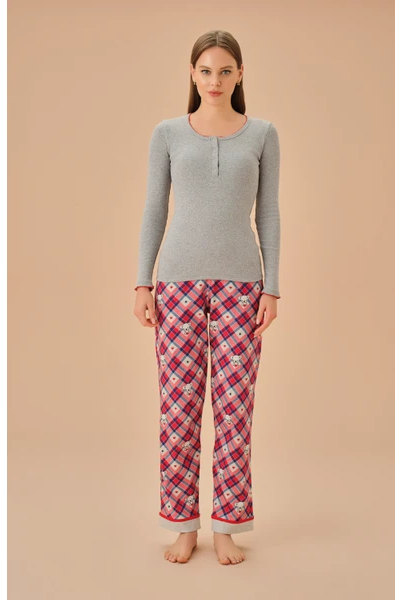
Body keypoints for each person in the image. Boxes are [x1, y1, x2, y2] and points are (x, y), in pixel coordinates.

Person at [133, 30, 281, 565]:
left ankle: (227, 526)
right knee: (178, 412)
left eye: (225, 71)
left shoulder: (262, 134)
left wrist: (272, 286)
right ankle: (182, 525)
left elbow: (269, 213)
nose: (214, 81)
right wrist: (143, 282)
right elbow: (154, 208)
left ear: (240, 75)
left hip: (243, 288)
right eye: (205, 71)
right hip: (176, 285)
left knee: (235, 413)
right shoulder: (168, 134)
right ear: (192, 74)